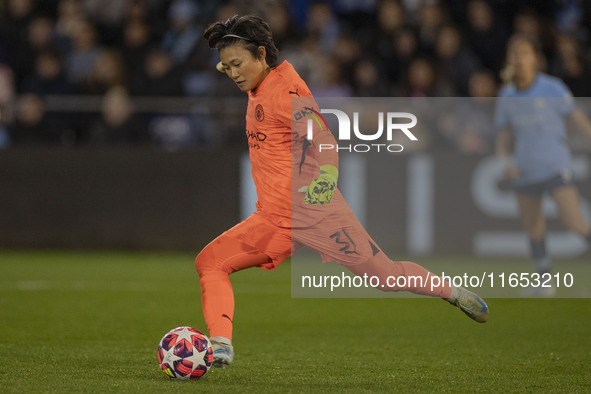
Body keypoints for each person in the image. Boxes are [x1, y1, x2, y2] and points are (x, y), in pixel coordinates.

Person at [196, 15, 489, 369]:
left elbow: (322, 138)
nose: (233, 74)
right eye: (226, 68)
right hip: (274, 219)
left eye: (237, 64)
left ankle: (452, 292)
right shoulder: (258, 86)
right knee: (210, 262)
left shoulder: (285, 90)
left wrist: (326, 177)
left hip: (317, 214)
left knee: (387, 277)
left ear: (261, 54)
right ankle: (220, 345)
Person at [495, 35, 591, 296]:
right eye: (514, 54)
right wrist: (505, 161)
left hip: (555, 166)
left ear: (535, 59)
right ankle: (544, 281)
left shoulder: (553, 88)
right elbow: (503, 139)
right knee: (534, 227)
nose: (519, 59)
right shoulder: (507, 96)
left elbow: (580, 121)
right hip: (525, 170)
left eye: (524, 53)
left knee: (575, 222)